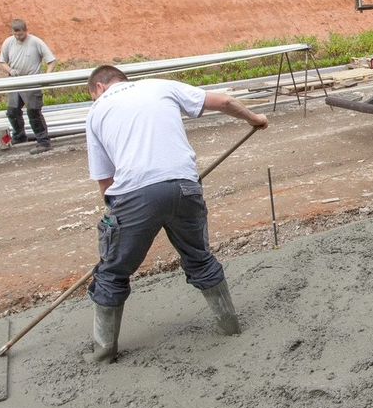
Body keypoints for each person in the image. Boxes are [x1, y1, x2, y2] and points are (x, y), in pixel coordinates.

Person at [81, 64, 270, 363]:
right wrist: (255, 118)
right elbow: (224, 101)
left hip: (135, 193)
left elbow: (106, 182)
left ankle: (103, 352)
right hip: (185, 186)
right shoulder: (159, 85)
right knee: (199, 258)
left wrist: (118, 222)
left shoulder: (97, 111)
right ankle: (230, 326)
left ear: (99, 88)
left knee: (112, 273)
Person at [0, 19, 57, 154]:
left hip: (31, 81)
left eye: (21, 34)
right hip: (15, 81)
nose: (18, 37)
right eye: (16, 35)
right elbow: (2, 61)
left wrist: (46, 77)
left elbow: (51, 60)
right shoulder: (8, 42)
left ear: (26, 31)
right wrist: (10, 71)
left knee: (33, 112)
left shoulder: (35, 42)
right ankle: (19, 136)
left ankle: (43, 141)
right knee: (12, 111)